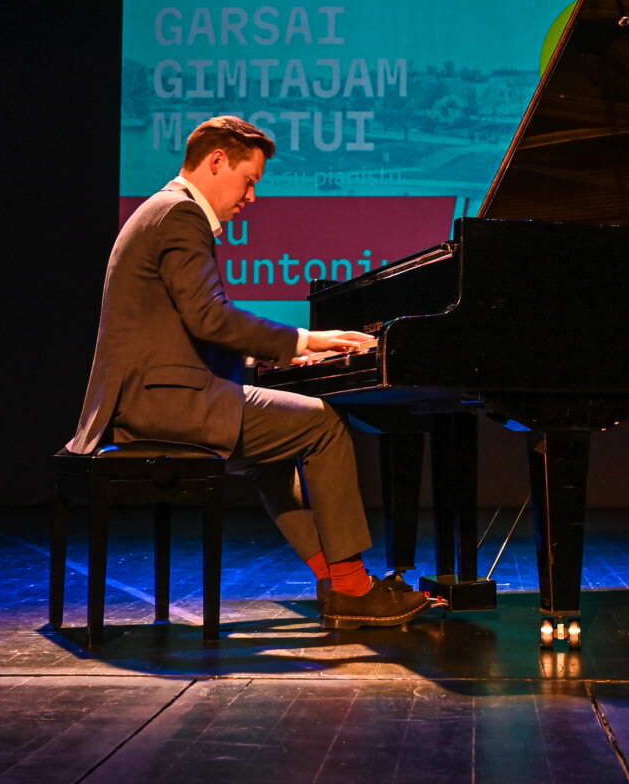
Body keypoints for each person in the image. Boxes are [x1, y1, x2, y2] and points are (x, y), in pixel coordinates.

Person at [67, 115, 429, 629]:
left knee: (273, 458)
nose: (252, 196)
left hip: (145, 399)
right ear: (217, 161)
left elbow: (178, 330)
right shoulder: (179, 215)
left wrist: (268, 358)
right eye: (249, 180)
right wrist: (304, 340)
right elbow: (210, 318)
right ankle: (352, 587)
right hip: (160, 405)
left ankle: (333, 578)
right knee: (323, 423)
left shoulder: (162, 211)